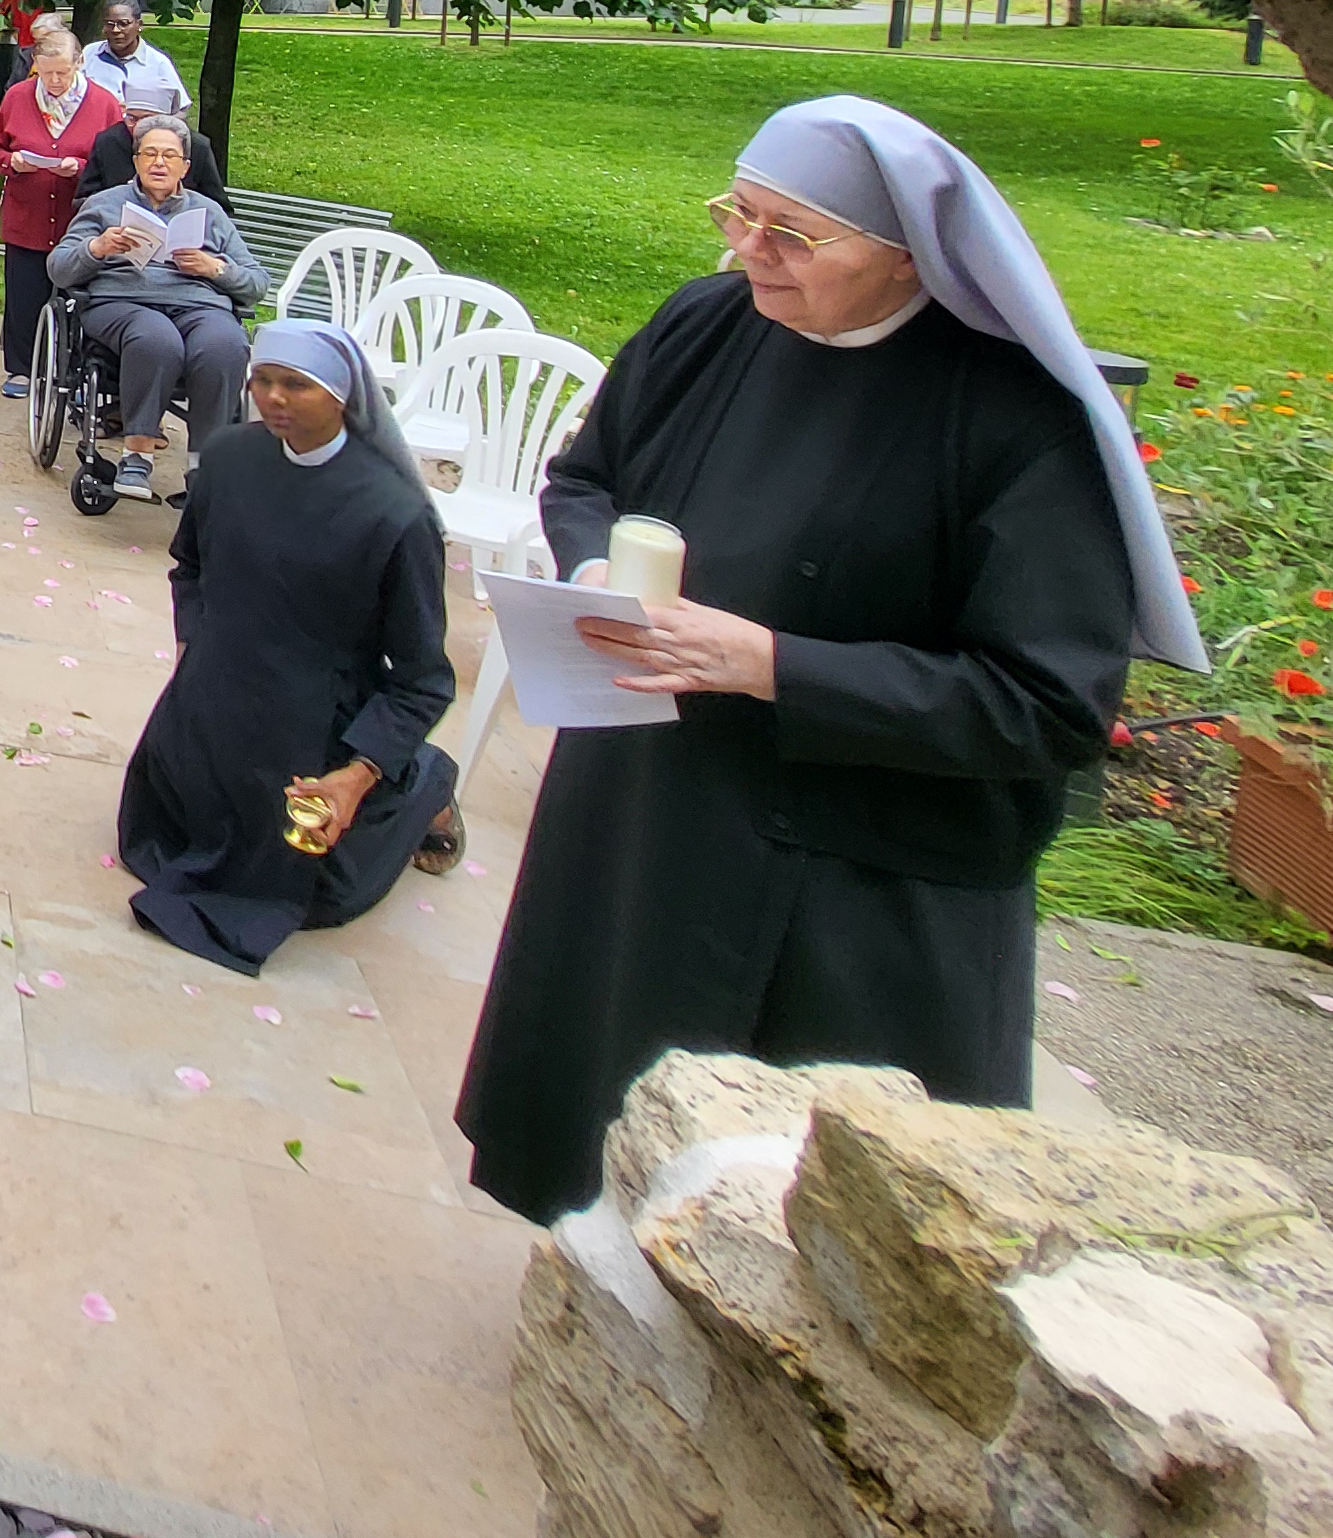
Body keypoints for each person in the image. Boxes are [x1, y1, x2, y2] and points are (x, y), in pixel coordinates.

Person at [454, 96, 1191, 1224]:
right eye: (737, 214)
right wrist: (595, 566)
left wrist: (768, 664)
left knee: (796, 1214)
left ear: (909, 259)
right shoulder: (707, 325)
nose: (746, 250)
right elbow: (586, 476)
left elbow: (1044, 707)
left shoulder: (1007, 417)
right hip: (648, 824)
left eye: (790, 234)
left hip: (844, 882)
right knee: (595, 1130)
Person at [113, 319, 462, 973]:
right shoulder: (226, 458)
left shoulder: (394, 515)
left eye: (295, 385)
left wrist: (354, 778)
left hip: (312, 713)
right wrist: (195, 650)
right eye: (263, 381)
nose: (273, 397)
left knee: (313, 890)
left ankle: (422, 779)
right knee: (156, 837)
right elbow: (188, 566)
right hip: (214, 690)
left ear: (340, 396)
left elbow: (423, 677)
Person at [49, 117, 269, 497]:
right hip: (123, 301)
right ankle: (138, 456)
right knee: (157, 339)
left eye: (170, 155)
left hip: (199, 304)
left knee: (225, 345)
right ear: (135, 160)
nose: (159, 162)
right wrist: (97, 248)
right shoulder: (104, 205)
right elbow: (58, 266)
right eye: (149, 153)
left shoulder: (209, 213)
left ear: (186, 165)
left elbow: (257, 282)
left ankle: (206, 466)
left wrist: (214, 267)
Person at [0, 24, 121, 401]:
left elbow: (114, 162)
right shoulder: (17, 97)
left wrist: (79, 166)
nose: (55, 81)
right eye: (46, 74)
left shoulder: (104, 103)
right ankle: (22, 369)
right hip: (26, 216)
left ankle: (75, 372)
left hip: (78, 222)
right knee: (25, 296)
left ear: (79, 63)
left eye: (63, 72)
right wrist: (13, 161)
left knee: (77, 300)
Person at [81, 0, 186, 121]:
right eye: (110, 24)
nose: (116, 30)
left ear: (139, 25)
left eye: (123, 24)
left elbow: (181, 109)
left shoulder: (158, 62)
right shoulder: (90, 54)